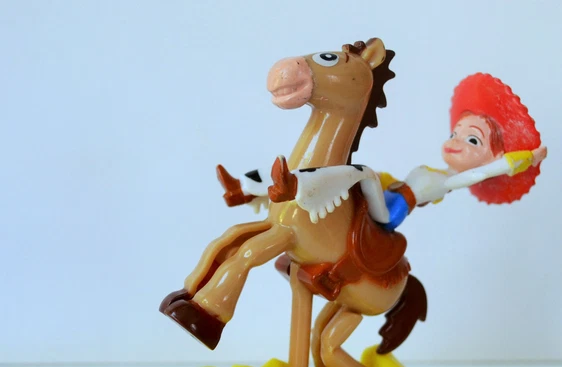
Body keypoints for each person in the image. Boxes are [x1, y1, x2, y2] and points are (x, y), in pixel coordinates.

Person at [223, 73, 546, 229]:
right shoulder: (435, 172)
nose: (456, 141)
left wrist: (527, 158)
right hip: (388, 194)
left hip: (390, 214)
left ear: (493, 156)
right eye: (455, 133)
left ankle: (295, 186)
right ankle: (246, 188)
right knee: (363, 174)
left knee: (362, 172)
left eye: (473, 140)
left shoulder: (450, 182)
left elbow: (486, 172)